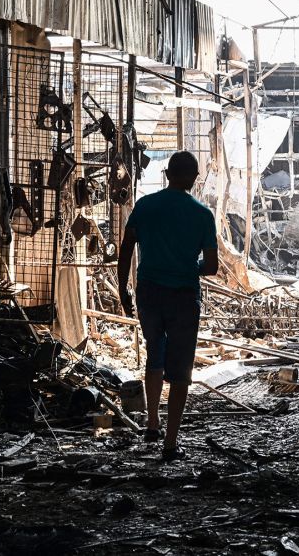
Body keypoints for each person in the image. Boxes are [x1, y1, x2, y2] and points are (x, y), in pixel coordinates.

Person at [118, 151, 218, 460]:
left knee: (154, 353)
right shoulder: (202, 215)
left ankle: (151, 423)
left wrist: (123, 289)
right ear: (194, 178)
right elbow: (212, 266)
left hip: (148, 291)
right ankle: (170, 443)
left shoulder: (145, 206)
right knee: (180, 369)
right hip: (183, 296)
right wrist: (187, 265)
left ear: (166, 174)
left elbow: (125, 249)